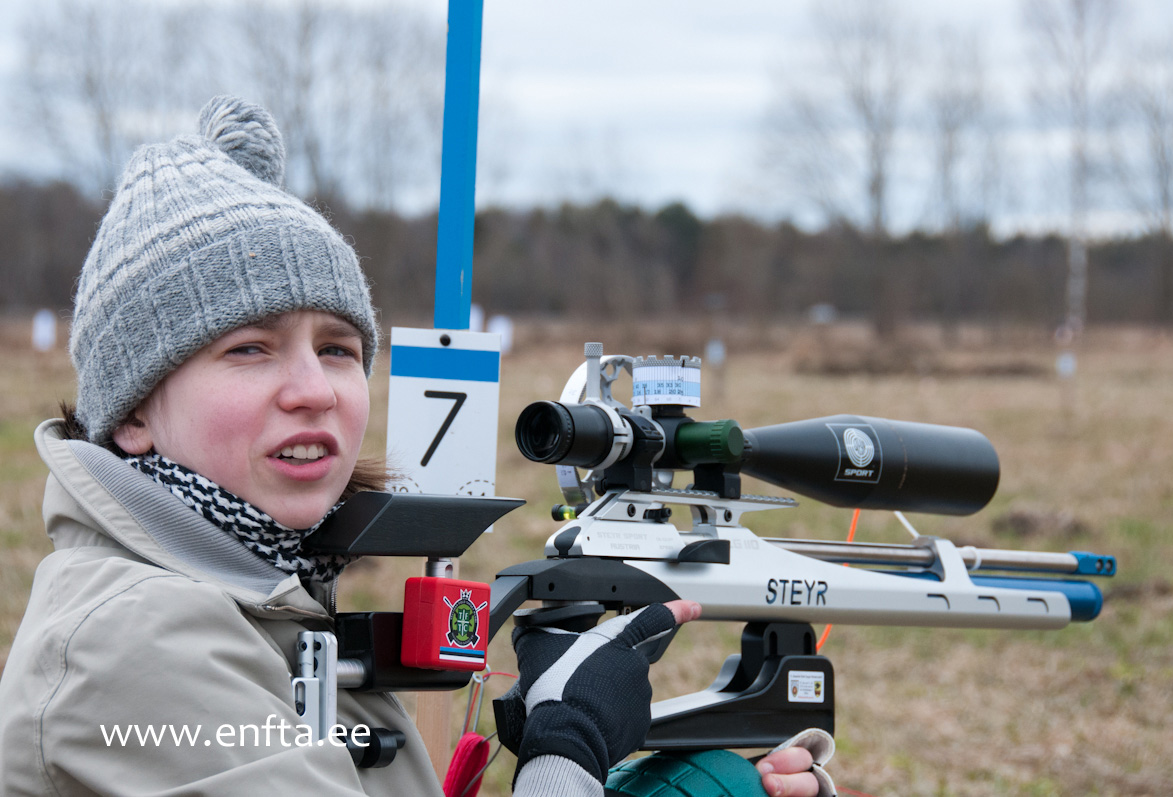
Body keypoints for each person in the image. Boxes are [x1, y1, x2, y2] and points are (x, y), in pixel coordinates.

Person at [0, 96, 819, 797]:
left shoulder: (263, 599)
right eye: (248, 348)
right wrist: (567, 747)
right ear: (133, 413)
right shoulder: (132, 641)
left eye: (337, 348)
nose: (315, 388)